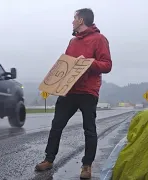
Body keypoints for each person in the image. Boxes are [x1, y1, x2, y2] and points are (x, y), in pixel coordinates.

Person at [35, 8, 112, 179]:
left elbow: (107, 65)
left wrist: (89, 62)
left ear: (81, 20)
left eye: (74, 18)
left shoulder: (99, 39)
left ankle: (86, 166)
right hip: (68, 91)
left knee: (89, 129)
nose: (72, 21)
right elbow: (67, 66)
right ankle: (48, 159)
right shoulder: (72, 42)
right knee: (56, 125)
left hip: (88, 92)